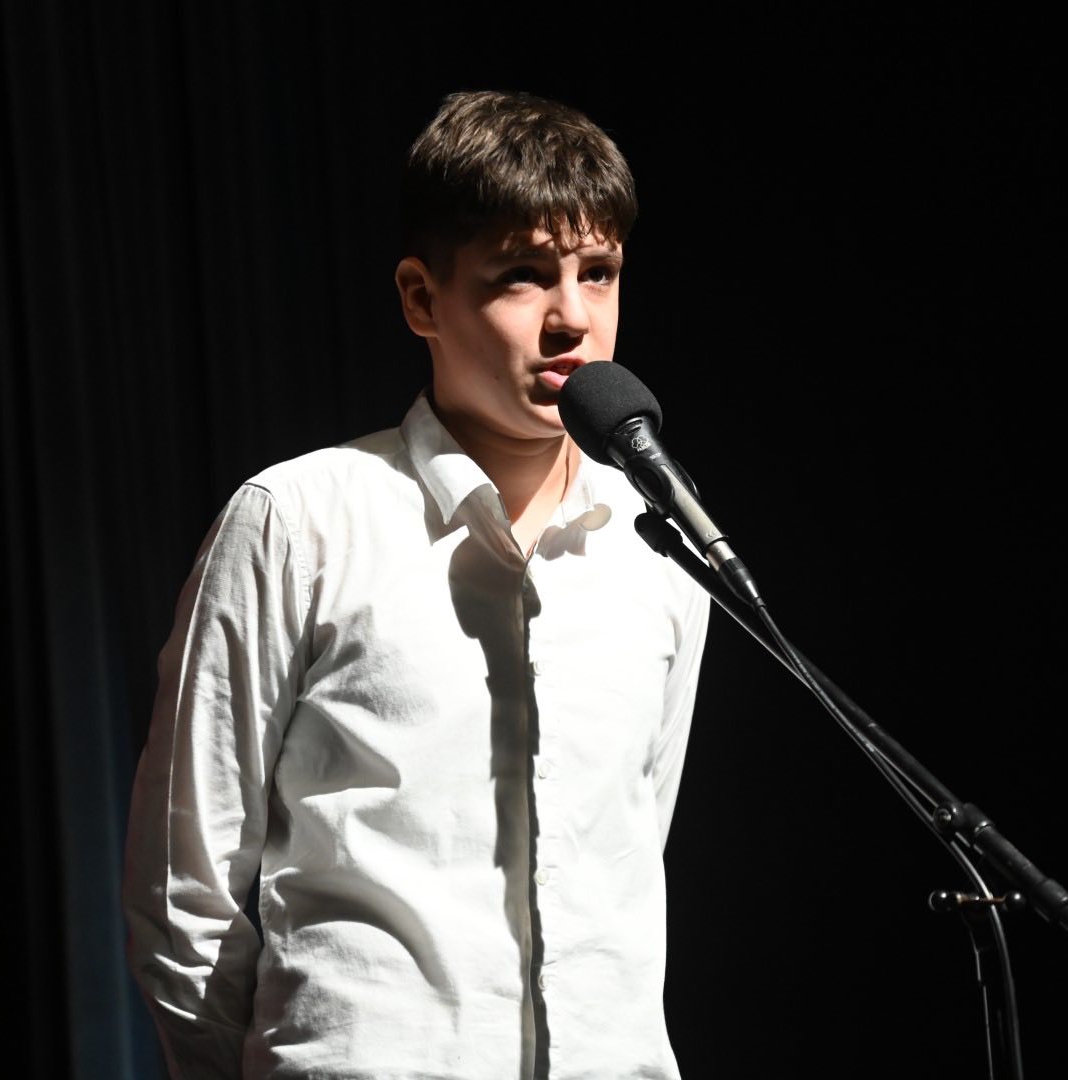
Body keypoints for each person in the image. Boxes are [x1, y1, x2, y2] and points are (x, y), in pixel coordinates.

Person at [122, 89, 712, 1079]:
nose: (572, 318)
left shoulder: (657, 539)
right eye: (522, 275)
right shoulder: (298, 520)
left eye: (598, 273)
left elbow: (634, 843)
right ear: (421, 298)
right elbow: (187, 891)